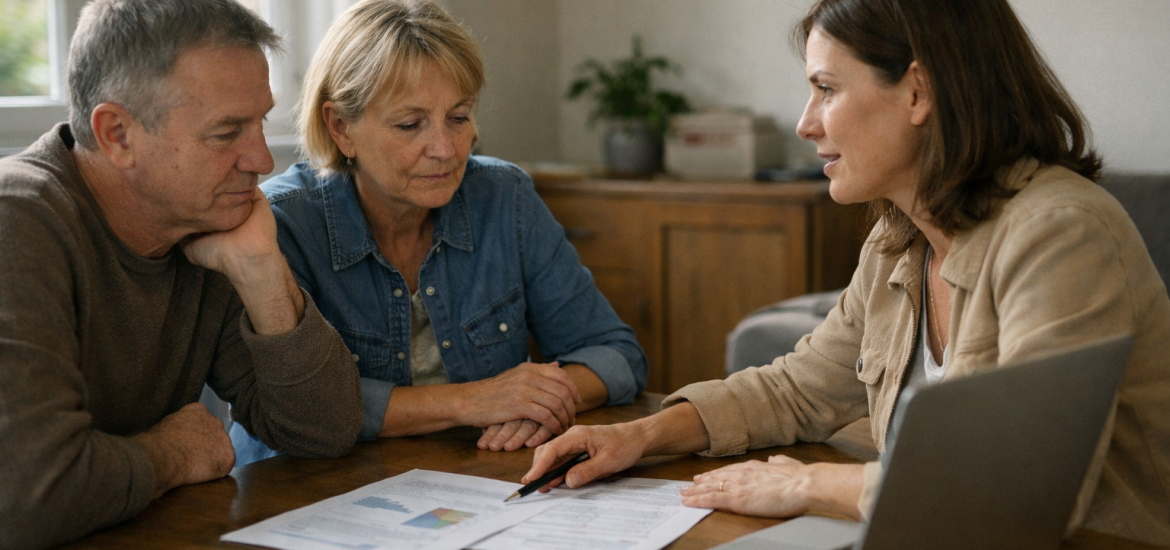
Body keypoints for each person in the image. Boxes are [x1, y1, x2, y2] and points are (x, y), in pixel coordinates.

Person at [523, 0, 1170, 545]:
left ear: (919, 91)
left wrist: (808, 485)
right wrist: (639, 436)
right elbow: (797, 390)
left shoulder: (1061, 233)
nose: (805, 124)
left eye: (826, 89)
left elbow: (1016, 488)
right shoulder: (899, 240)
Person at [0, 1, 364, 548]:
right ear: (117, 134)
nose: (262, 160)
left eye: (260, 122)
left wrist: (264, 272)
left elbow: (324, 431)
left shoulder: (202, 223)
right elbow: (31, 495)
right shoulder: (18, 220)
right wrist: (172, 454)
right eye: (226, 133)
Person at [229, 0, 647, 466]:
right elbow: (287, 410)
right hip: (302, 493)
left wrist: (537, 401)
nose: (445, 149)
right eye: (411, 124)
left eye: (459, 117)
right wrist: (474, 401)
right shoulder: (283, 222)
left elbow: (616, 355)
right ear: (341, 127)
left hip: (471, 483)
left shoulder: (503, 196)